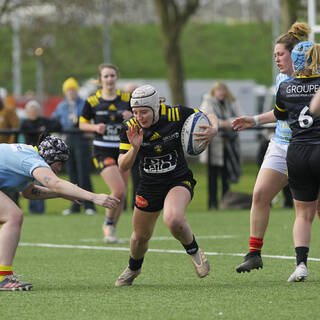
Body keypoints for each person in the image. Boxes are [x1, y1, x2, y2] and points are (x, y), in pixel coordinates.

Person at [114, 84, 218, 287]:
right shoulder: (130, 127)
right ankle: (134, 268)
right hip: (149, 185)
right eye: (135, 112)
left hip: (178, 179)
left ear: (156, 107)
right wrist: (134, 148)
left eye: (144, 111)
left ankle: (194, 251)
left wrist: (213, 130)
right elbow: (122, 166)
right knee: (139, 237)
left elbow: (208, 115)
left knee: (173, 219)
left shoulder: (176, 114)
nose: (139, 116)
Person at [232, 22, 311, 273]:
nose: (276, 59)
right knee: (260, 195)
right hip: (281, 145)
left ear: (294, 53)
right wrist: (253, 120)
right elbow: (281, 113)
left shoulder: (313, 79)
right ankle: (254, 253)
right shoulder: (280, 80)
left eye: (280, 54)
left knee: (314, 208)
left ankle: (301, 261)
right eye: (274, 55)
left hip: (308, 147)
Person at [0, 133, 119, 291]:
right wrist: (94, 197)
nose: (59, 168)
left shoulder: (28, 156)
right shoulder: (32, 160)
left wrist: (62, 194)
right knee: (12, 216)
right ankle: (3, 277)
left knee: (10, 215)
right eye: (59, 162)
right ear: (50, 156)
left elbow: (29, 192)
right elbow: (55, 183)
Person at [274, 41, 320, 282]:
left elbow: (280, 115)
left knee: (303, 214)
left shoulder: (285, 87)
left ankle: (301, 265)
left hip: (297, 152)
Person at [79, 64, 132, 243]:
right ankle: (108, 224)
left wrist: (131, 117)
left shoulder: (127, 98)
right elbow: (82, 124)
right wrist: (95, 127)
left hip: (123, 149)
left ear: (117, 77)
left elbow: (140, 119)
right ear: (100, 80)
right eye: (106, 76)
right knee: (118, 189)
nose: (109, 79)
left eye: (112, 76)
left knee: (122, 194)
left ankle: (111, 231)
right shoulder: (92, 101)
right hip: (102, 149)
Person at [52, 77, 96, 216]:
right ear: (65, 92)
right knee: (71, 172)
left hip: (81, 139)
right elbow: (54, 121)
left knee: (83, 172)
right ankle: (75, 205)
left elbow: (92, 119)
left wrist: (90, 131)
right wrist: (60, 134)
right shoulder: (62, 106)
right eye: (68, 90)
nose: (71, 92)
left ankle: (89, 205)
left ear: (76, 91)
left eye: (73, 90)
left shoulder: (84, 103)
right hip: (68, 140)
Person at [200, 81, 242, 209]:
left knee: (226, 175)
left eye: (223, 90)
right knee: (212, 176)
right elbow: (206, 118)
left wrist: (225, 123)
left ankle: (225, 202)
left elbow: (240, 117)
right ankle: (212, 204)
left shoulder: (231, 102)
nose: (221, 93)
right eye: (219, 90)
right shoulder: (208, 102)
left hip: (228, 145)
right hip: (214, 145)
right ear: (214, 92)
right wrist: (225, 124)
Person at [20, 99, 62, 214]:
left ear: (38, 111)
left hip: (41, 156)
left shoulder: (43, 121)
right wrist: (40, 130)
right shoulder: (25, 123)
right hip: (28, 156)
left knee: (41, 181)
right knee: (29, 182)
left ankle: (40, 210)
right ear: (27, 112)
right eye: (31, 110)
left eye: (35, 110)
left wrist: (45, 130)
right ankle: (32, 210)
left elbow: (57, 125)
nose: (33, 112)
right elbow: (28, 131)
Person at [0, 96, 20, 205]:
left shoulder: (8, 111)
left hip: (6, 152)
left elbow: (15, 129)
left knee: (10, 178)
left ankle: (14, 203)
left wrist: (10, 147)